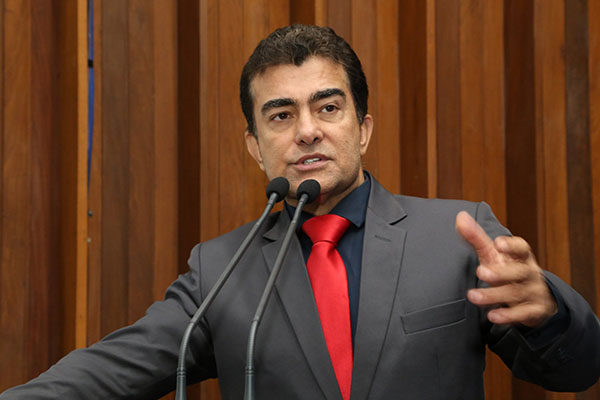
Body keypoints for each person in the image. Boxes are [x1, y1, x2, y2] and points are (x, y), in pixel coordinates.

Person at [1, 24, 599, 400]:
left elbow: (576, 371)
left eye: (328, 107)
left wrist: (549, 313)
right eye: (281, 115)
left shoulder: (455, 237)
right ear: (255, 147)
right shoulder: (220, 271)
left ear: (363, 129)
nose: (308, 130)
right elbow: (110, 372)